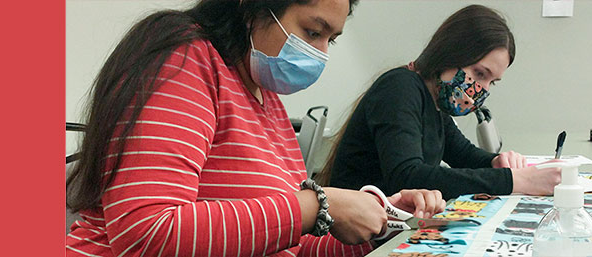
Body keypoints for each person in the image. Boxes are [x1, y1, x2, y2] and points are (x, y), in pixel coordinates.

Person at [65, 1, 445, 256]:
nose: (322, 53)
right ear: (254, 6)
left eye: (331, 39)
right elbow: (146, 232)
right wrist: (316, 207)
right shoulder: (183, 57)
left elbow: (289, 242)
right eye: (314, 32)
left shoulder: (265, 98)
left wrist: (382, 222)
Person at [320, 5, 562, 201]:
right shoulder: (399, 88)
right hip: (355, 239)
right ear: (451, 54)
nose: (483, 89)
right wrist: (516, 182)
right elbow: (407, 177)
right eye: (479, 74)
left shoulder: (434, 100)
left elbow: (462, 154)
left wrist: (496, 163)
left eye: (492, 82)